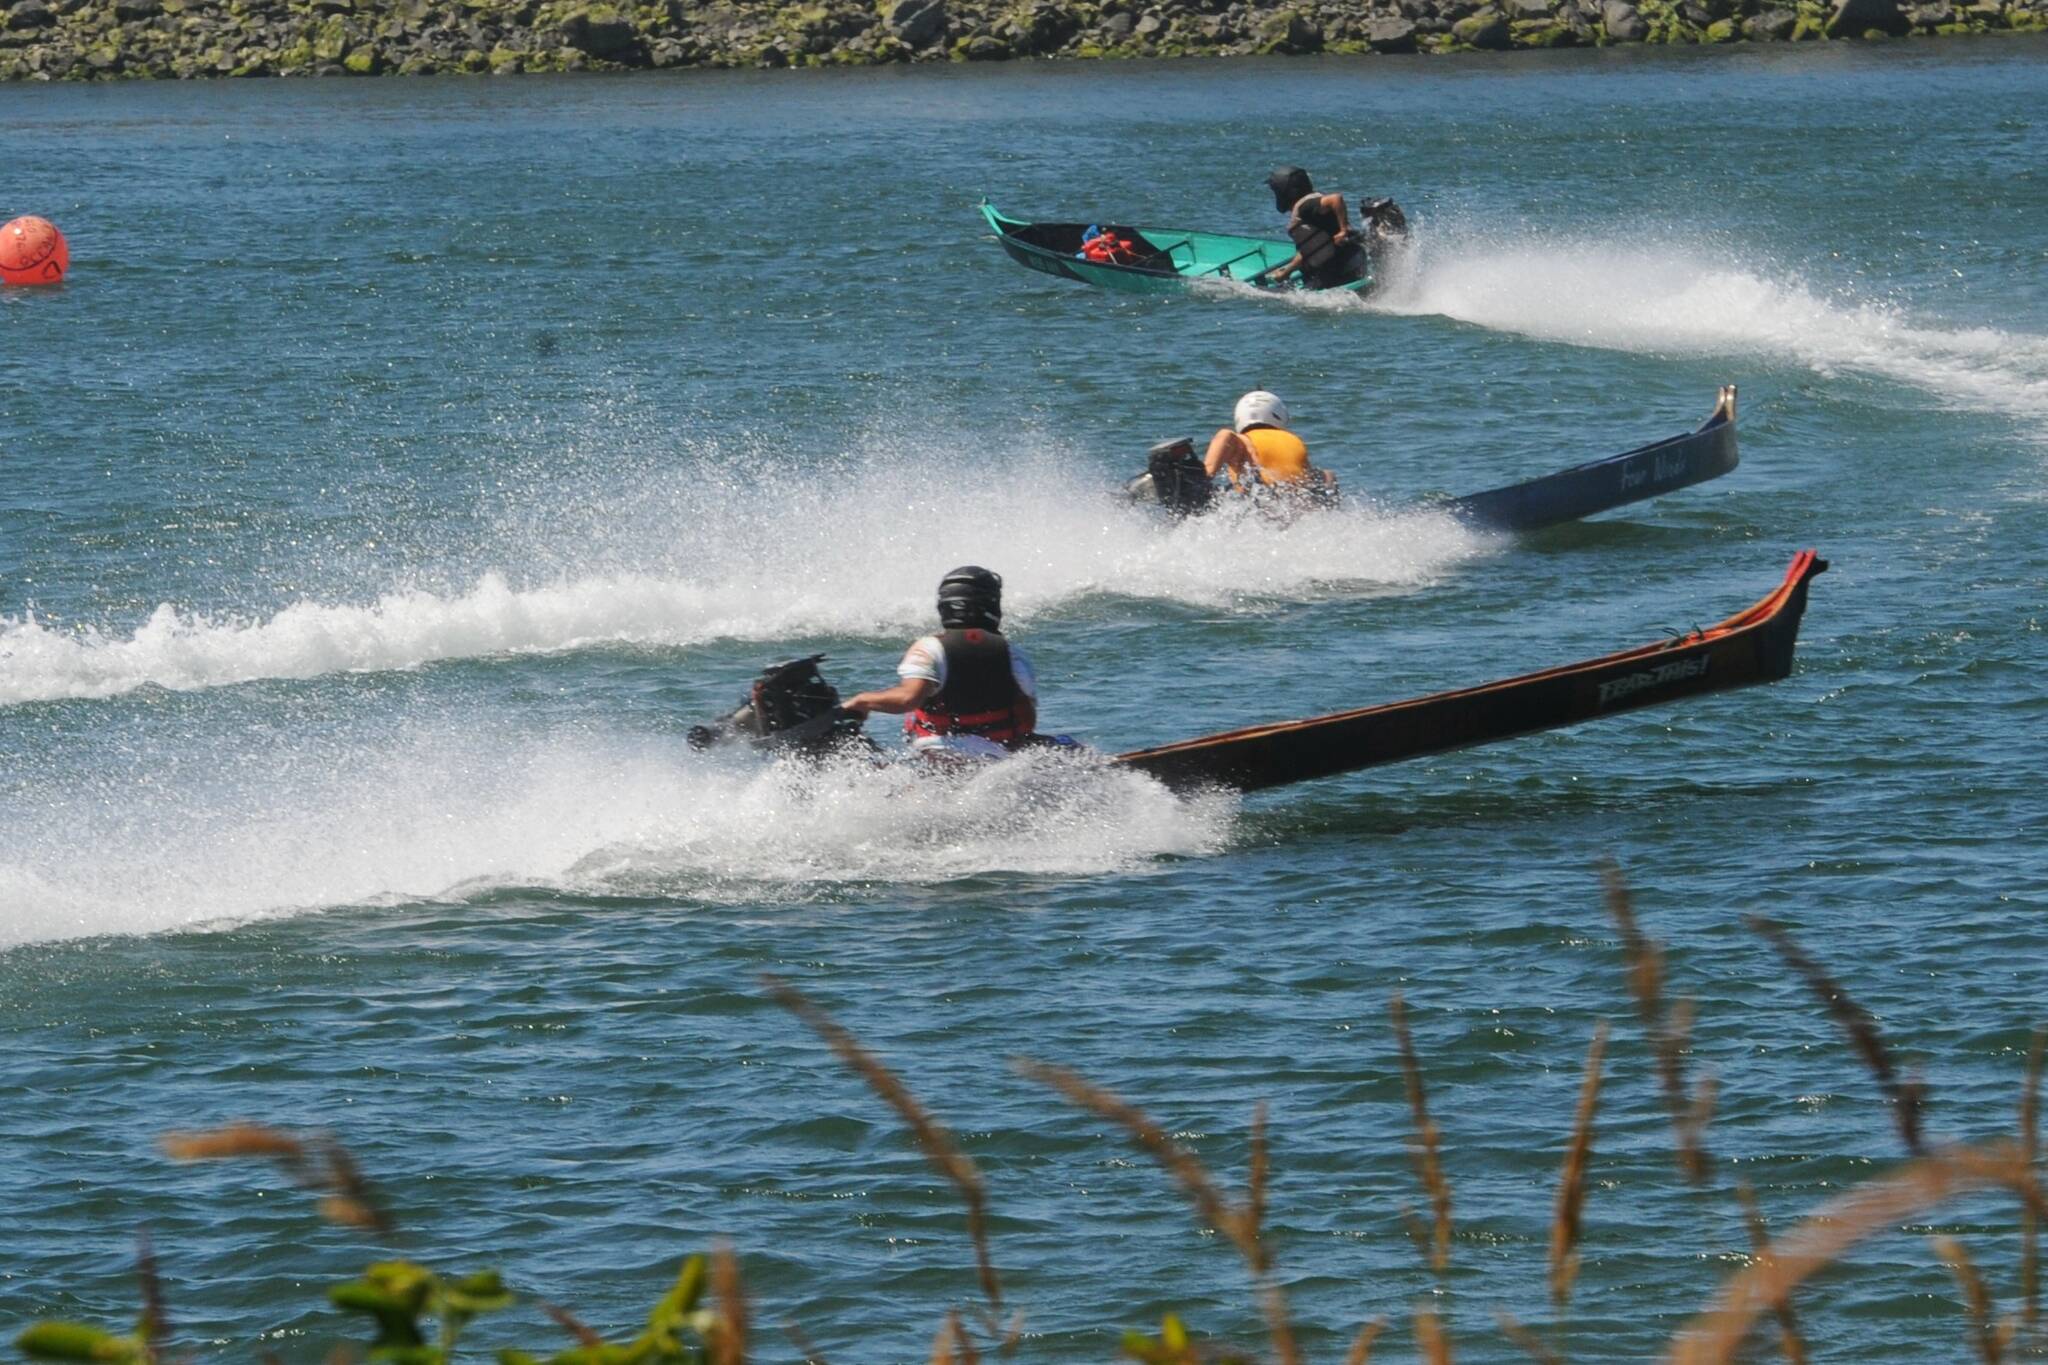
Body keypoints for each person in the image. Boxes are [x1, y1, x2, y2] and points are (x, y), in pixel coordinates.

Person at [841, 566, 1040, 760]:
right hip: (995, 759)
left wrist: (862, 701)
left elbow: (907, 699)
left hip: (941, 759)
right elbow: (1027, 721)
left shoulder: (931, 648)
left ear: (945, 606)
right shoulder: (1013, 654)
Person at [1203, 390, 1338, 502]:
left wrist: (1206, 476)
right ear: (1280, 415)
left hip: (1264, 506)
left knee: (1224, 434)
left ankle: (1200, 480)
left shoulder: (1241, 440)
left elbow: (1226, 437)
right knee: (1327, 475)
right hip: (1297, 506)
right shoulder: (1294, 440)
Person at [1252, 165, 1368, 290]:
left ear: (1285, 191)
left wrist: (1343, 230)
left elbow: (1336, 199)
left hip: (1333, 273)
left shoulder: (1305, 207)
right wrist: (1287, 271)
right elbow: (1310, 250)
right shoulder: (1311, 207)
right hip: (1347, 265)